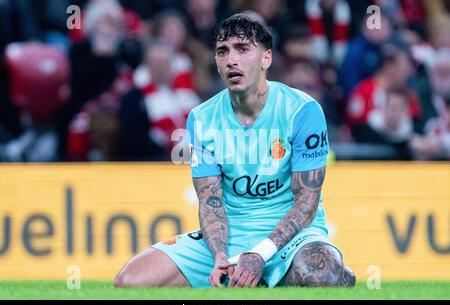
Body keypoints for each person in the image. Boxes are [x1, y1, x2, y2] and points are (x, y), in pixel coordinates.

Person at [114, 13, 356, 288]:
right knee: (130, 281)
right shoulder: (201, 119)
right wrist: (219, 255)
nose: (231, 60)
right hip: (232, 234)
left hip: (294, 239)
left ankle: (305, 274)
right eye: (222, 51)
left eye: (242, 49)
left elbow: (306, 203)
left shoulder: (302, 110)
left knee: (319, 274)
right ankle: (271, 280)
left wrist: (260, 254)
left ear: (266, 58)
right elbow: (210, 201)